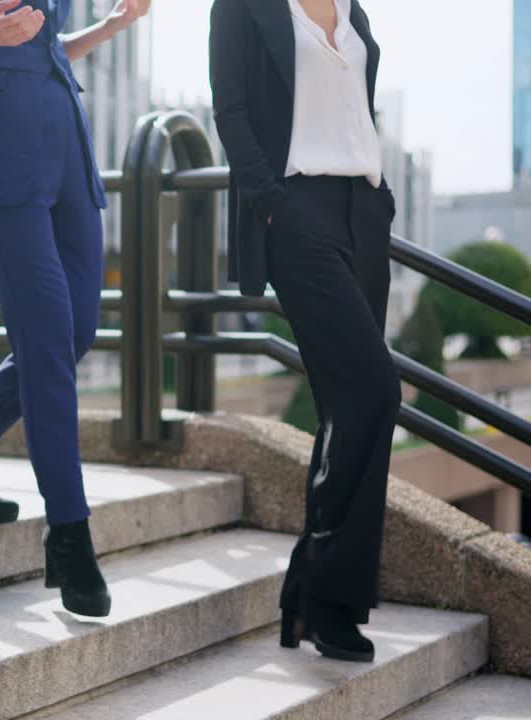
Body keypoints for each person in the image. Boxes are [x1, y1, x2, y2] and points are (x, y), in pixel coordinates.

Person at [0, 0, 150, 617]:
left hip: (66, 144)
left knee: (74, 334)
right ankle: (70, 535)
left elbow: (39, 46)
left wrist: (111, 27)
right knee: (48, 342)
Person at [209, 0, 398, 663]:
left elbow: (357, 107)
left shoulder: (354, 11)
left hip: (362, 214)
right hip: (298, 214)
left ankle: (307, 593)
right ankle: (331, 598)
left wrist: (380, 201)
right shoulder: (241, 7)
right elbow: (229, 110)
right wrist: (268, 203)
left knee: (346, 409)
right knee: (378, 390)